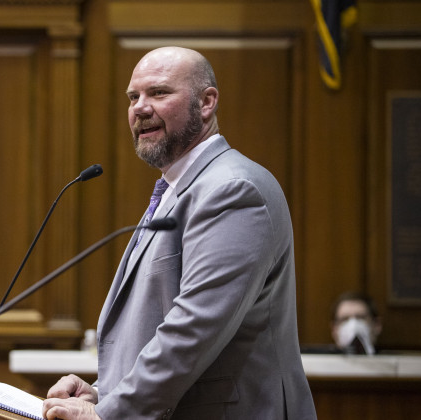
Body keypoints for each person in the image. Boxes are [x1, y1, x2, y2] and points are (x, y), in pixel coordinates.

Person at [42, 46, 316, 420]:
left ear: (206, 103)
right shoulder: (181, 187)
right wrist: (103, 394)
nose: (140, 107)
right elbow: (160, 325)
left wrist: (109, 415)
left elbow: (193, 330)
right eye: (133, 96)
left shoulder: (232, 190)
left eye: (158, 92)